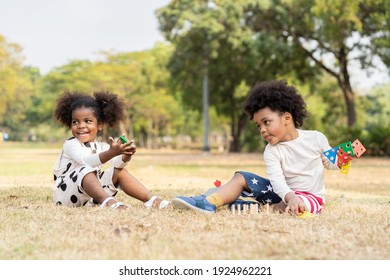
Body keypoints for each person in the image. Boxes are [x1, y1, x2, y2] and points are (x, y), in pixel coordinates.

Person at [172, 80, 339, 215]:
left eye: (266, 122)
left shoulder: (316, 138)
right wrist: (290, 196)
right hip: (284, 192)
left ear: (287, 118)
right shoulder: (272, 150)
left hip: (310, 198)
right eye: (259, 126)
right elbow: (277, 182)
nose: (262, 130)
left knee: (290, 207)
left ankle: (249, 206)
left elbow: (332, 163)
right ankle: (209, 202)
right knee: (241, 177)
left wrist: (344, 157)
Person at [53, 90, 170, 209]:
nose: (81, 125)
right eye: (75, 122)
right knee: (85, 170)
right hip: (66, 197)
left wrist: (126, 155)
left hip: (89, 197)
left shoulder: (101, 146)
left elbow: (117, 163)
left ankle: (152, 201)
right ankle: (109, 203)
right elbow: (86, 161)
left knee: (118, 171)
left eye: (88, 121)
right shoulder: (71, 144)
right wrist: (111, 153)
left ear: (100, 125)